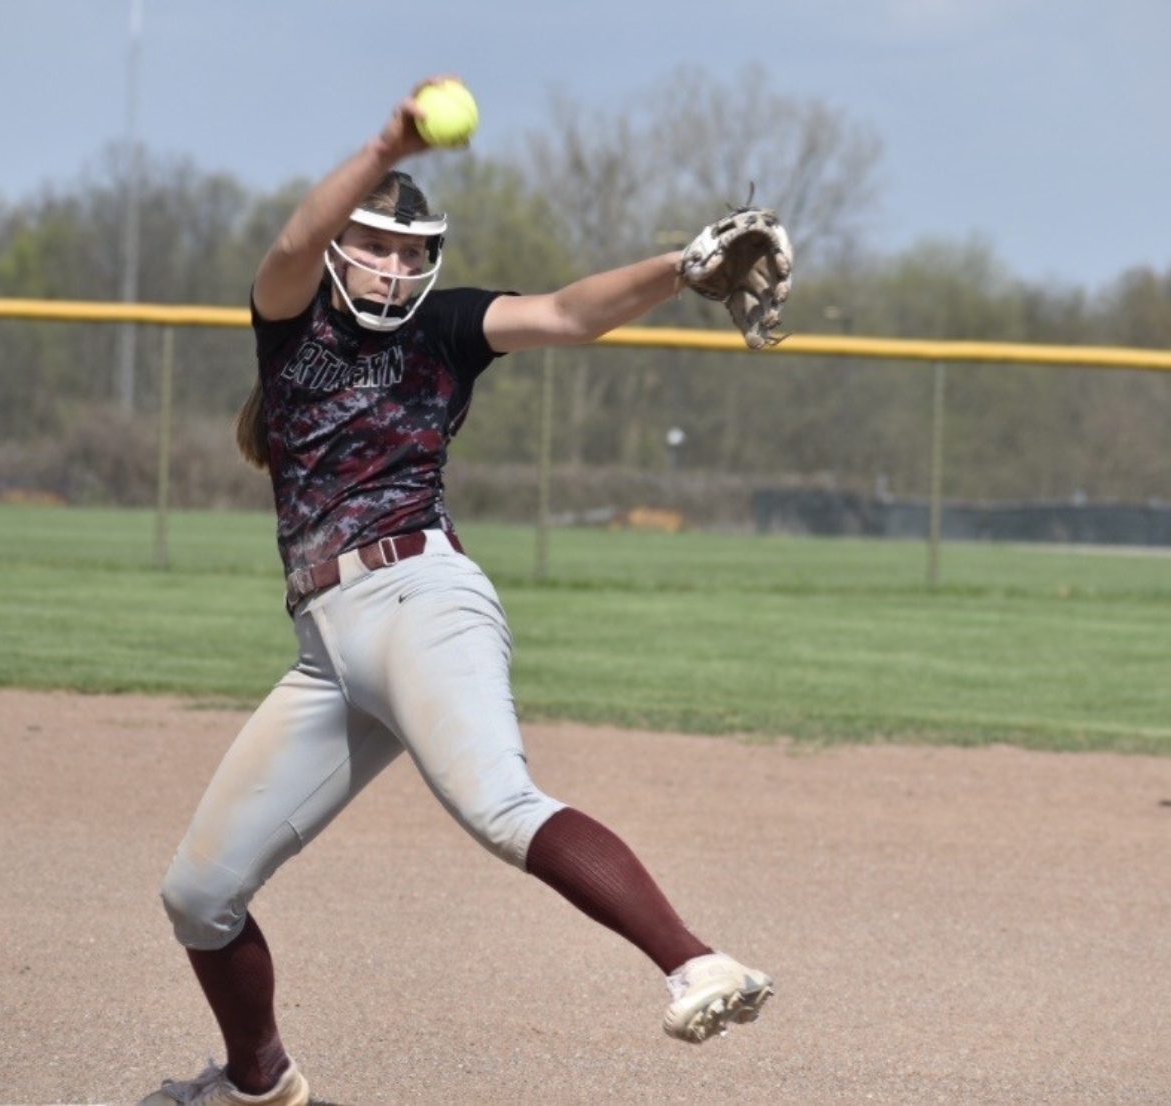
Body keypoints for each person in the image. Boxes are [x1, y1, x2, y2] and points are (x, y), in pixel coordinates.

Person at [141, 77, 775, 1106]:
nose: (393, 265)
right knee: (199, 893)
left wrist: (680, 266)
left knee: (500, 803)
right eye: (375, 245)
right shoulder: (292, 324)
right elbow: (294, 239)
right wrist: (385, 141)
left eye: (409, 250)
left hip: (422, 599)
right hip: (329, 648)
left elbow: (569, 312)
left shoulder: (445, 331)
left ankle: (697, 960)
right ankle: (258, 1083)